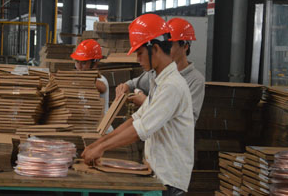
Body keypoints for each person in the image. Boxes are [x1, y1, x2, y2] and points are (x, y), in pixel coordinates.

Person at [82, 14, 194, 195]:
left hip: (169, 179)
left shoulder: (172, 86)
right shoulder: (159, 82)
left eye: (140, 53)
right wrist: (97, 144)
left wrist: (101, 148)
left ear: (155, 48)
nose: (137, 59)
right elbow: (136, 119)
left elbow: (140, 130)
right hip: (157, 173)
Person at [116, 17, 205, 123]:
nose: (166, 48)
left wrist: (145, 102)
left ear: (185, 47)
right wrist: (124, 87)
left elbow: (187, 120)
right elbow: (132, 84)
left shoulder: (194, 80)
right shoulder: (155, 73)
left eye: (170, 45)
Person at [70, 39, 112, 132]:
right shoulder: (75, 79)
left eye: (84, 63)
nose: (79, 66)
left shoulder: (101, 79)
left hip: (102, 128)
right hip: (85, 126)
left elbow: (102, 87)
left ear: (95, 63)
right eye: (77, 61)